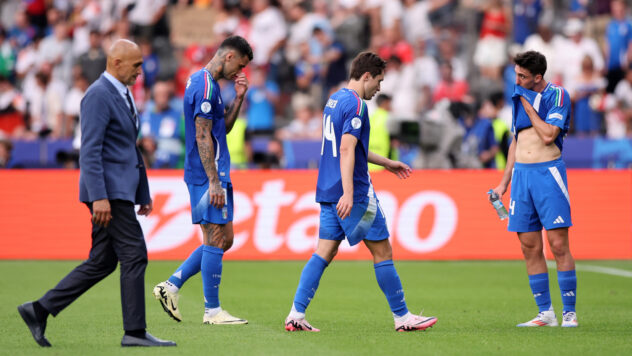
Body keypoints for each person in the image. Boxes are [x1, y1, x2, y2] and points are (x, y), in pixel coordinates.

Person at [17, 39, 176, 347]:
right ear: (116, 63)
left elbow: (128, 148)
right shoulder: (98, 95)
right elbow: (89, 151)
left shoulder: (122, 94)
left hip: (120, 191)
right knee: (135, 255)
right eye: (136, 65)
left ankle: (38, 309)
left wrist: (142, 191)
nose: (141, 71)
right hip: (109, 193)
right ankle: (134, 332)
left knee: (102, 261)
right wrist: (99, 196)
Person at [284, 52, 437, 332]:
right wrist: (349, 192)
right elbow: (345, 149)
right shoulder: (356, 106)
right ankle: (403, 318)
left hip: (327, 189)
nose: (379, 88)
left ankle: (296, 314)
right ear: (366, 76)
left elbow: (350, 148)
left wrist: (387, 163)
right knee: (383, 251)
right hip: (352, 193)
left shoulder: (334, 100)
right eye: (378, 81)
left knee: (324, 252)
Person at [152, 36, 253, 325]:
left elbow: (223, 128)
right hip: (206, 175)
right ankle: (212, 311)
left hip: (216, 172)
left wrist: (240, 97)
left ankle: (171, 286)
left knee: (225, 239)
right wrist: (213, 181)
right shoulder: (205, 86)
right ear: (230, 56)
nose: (240, 71)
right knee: (215, 237)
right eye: (241, 65)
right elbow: (201, 134)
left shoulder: (211, 85)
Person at [491, 50, 578, 328]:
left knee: (558, 244)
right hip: (522, 178)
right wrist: (504, 182)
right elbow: (516, 140)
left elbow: (549, 134)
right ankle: (546, 313)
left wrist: (528, 106)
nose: (516, 80)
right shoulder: (518, 95)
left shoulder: (557, 95)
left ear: (537, 77)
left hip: (548, 174)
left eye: (522, 76)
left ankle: (569, 312)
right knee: (529, 246)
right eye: (515, 74)